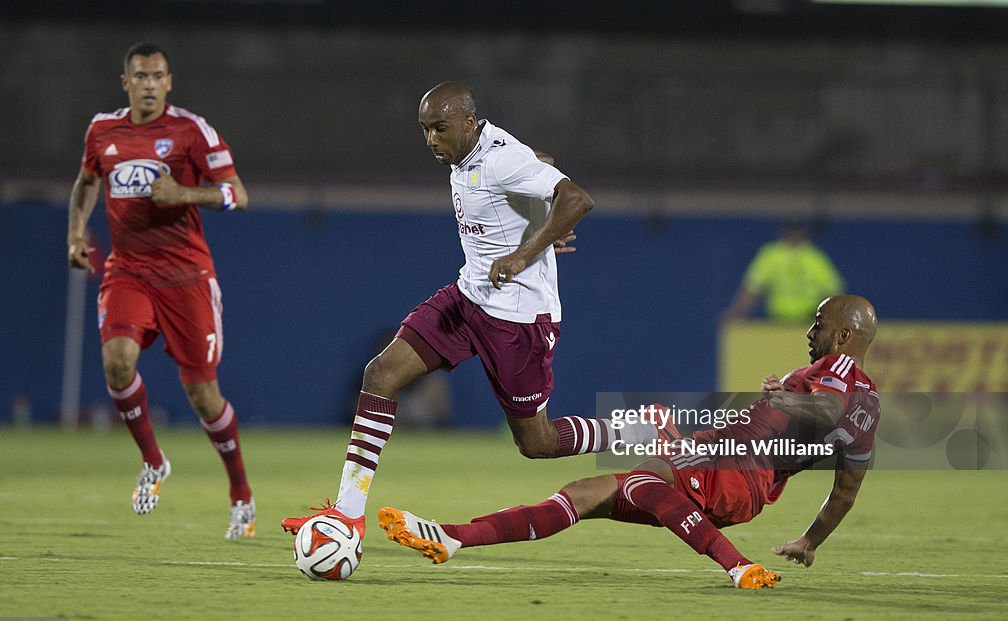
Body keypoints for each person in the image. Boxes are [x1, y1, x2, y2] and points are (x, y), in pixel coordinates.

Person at [282, 81, 660, 539]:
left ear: (468, 122)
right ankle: (347, 514)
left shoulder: (498, 156)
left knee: (536, 443)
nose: (430, 141)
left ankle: (638, 430)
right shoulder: (467, 154)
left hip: (517, 320)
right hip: (468, 300)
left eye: (439, 129)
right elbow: (541, 165)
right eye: (424, 130)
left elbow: (577, 198)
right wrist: (539, 222)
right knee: (380, 374)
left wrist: (525, 252)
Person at [379, 295, 880, 590]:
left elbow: (826, 409)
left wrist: (779, 399)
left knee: (646, 449)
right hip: (735, 477)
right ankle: (453, 537)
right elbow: (846, 491)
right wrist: (809, 541)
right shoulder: (870, 406)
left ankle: (738, 565)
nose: (810, 332)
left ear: (842, 335)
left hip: (730, 464)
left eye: (818, 324)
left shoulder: (834, 369)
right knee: (585, 494)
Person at [67, 42, 255, 539]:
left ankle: (241, 493)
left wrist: (185, 194)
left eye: (157, 76)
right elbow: (87, 182)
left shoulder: (191, 131)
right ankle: (153, 461)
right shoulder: (102, 131)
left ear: (168, 82)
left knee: (203, 396)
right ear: (125, 81)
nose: (149, 83)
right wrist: (75, 231)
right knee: (117, 361)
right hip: (128, 270)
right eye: (140, 76)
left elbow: (238, 194)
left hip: (187, 277)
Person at [722, 219, 845, 324]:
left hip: (807, 320)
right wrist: (737, 313)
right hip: (780, 321)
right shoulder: (773, 255)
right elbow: (752, 289)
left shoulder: (813, 257)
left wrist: (830, 319)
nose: (793, 234)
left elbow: (833, 293)